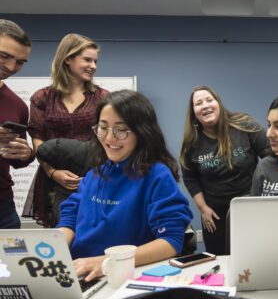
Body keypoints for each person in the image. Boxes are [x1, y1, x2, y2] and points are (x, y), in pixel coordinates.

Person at [56, 90, 193, 281]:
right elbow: (71, 214)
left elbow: (170, 242)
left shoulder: (156, 176)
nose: (110, 138)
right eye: (103, 128)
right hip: (78, 273)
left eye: (121, 130)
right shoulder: (94, 174)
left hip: (120, 277)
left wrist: (106, 262)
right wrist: (53, 247)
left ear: (142, 132)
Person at [26, 33, 109, 227]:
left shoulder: (103, 98)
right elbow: (38, 141)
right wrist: (53, 172)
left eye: (95, 61)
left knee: (95, 229)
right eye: (87, 60)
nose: (93, 66)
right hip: (53, 179)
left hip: (94, 177)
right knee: (59, 230)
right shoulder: (42, 98)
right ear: (68, 59)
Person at [180, 85, 268, 255]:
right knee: (220, 260)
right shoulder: (192, 142)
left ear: (218, 103)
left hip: (249, 207)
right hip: (214, 215)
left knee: (254, 256)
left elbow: (270, 157)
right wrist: (203, 208)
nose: (205, 105)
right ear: (194, 113)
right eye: (198, 103)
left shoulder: (244, 124)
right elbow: (190, 178)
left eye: (209, 100)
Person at [0, 19, 34, 228]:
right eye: (4, 56)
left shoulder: (17, 104)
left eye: (20, 62)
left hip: (3, 206)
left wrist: (25, 154)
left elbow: (19, 161)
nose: (12, 67)